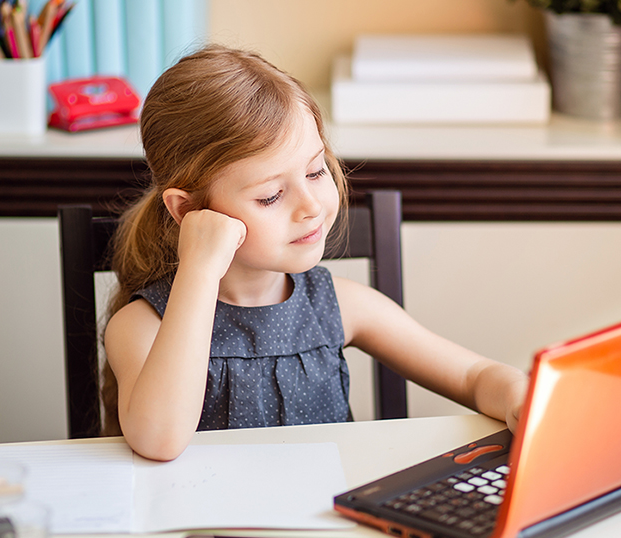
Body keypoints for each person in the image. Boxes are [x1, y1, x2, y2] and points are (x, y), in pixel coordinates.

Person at [102, 44, 529, 461]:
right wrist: (198, 269)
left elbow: (474, 377)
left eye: (315, 170)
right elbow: (159, 441)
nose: (310, 207)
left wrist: (518, 394)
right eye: (270, 196)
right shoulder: (141, 327)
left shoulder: (342, 305)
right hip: (210, 530)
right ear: (188, 210)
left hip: (329, 527)